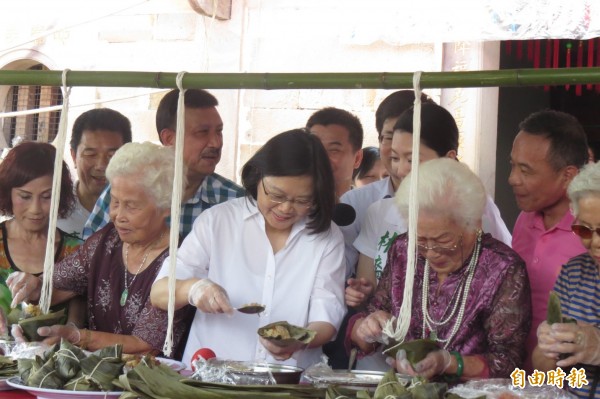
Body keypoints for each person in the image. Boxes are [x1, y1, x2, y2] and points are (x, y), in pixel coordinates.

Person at [151, 129, 346, 369]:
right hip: (211, 379)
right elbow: (160, 292)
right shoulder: (218, 221)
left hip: (287, 381)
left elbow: (326, 317)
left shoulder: (327, 236)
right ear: (257, 176)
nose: (285, 208)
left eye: (302, 200)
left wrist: (299, 340)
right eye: (276, 195)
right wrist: (195, 289)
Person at [346, 103, 512, 371]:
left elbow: (506, 355)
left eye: (413, 159)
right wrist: (368, 324)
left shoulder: (483, 224)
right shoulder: (397, 241)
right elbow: (374, 307)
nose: (400, 170)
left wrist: (450, 363)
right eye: (395, 157)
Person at [347, 158, 531, 380]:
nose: (431, 251)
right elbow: (374, 316)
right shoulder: (405, 250)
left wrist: (449, 363)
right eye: (421, 239)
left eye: (444, 240)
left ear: (474, 225)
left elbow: (508, 361)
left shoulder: (502, 268)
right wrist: (367, 328)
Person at [7, 142, 189, 356]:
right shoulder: (107, 241)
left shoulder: (182, 260)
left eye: (131, 206)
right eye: (114, 201)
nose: (117, 215)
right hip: (96, 380)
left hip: (148, 383)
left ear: (166, 208)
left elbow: (146, 346)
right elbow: (54, 287)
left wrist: (78, 337)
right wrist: (33, 285)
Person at [82, 89, 244, 240]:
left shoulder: (236, 202)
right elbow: (88, 256)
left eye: (219, 132)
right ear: (169, 139)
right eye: (202, 132)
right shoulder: (124, 188)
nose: (216, 143)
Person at [510, 109, 589, 372]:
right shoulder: (524, 220)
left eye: (526, 171)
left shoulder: (589, 234)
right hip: (519, 376)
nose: (512, 179)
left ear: (568, 175)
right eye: (512, 166)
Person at [339, 90, 434, 277]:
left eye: (412, 138)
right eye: (390, 137)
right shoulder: (355, 204)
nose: (400, 146)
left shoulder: (472, 206)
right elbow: (343, 271)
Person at [534, 161, 600, 398]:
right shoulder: (574, 273)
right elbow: (542, 370)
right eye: (584, 230)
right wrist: (548, 346)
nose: (595, 242)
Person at [0, 141, 81, 290]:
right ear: (8, 193)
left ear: (59, 196)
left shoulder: (76, 254)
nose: (35, 209)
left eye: (47, 196)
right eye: (25, 197)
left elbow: (77, 312)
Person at [57, 108, 132, 239]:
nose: (101, 165)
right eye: (91, 154)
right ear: (74, 156)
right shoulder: (54, 210)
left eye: (112, 155)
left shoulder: (138, 215)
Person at [306, 107, 364, 199]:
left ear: (357, 158)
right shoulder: (290, 209)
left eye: (334, 150)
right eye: (315, 148)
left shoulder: (370, 209)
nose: (320, 157)